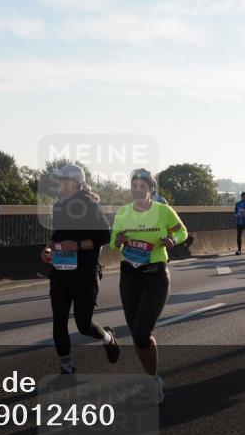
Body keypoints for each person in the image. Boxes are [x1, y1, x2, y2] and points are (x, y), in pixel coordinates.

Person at [111, 169, 188, 404]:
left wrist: (172, 240)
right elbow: (114, 244)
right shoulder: (123, 212)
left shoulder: (162, 211)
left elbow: (182, 231)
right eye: (134, 186)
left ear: (150, 189)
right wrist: (120, 241)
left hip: (155, 276)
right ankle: (150, 376)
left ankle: (153, 381)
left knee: (143, 333)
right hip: (129, 276)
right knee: (136, 334)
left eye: (142, 186)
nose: (137, 190)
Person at [41, 164, 118, 374]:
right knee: (59, 321)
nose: (59, 183)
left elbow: (105, 236)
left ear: (74, 183)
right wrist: (48, 249)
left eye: (63, 179)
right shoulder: (59, 206)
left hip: (84, 274)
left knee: (84, 325)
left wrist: (76, 245)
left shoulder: (88, 205)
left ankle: (108, 338)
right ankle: (66, 366)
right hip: (61, 273)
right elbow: (58, 235)